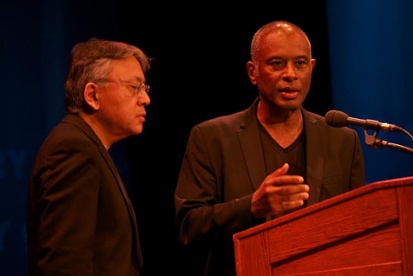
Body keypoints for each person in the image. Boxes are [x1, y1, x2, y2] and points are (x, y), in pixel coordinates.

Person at [174, 20, 365, 275]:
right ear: (253, 72)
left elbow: (359, 226)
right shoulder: (211, 138)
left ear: (312, 67)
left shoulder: (342, 140)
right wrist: (251, 207)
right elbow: (188, 227)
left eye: (299, 64)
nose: (290, 74)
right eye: (277, 64)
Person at [27, 38, 152, 276]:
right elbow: (65, 266)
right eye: (134, 87)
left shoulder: (88, 147)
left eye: (144, 88)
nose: (145, 99)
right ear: (92, 95)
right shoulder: (74, 149)